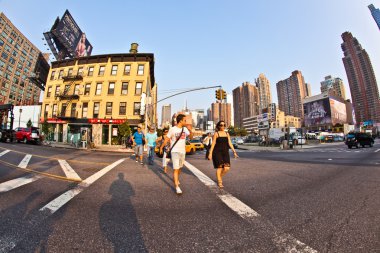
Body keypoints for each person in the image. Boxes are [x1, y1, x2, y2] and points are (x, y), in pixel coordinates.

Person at [160, 114, 193, 195]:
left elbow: (191, 138)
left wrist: (191, 131)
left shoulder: (185, 129)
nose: (186, 122)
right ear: (180, 120)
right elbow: (167, 139)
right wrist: (161, 147)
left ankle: (176, 178)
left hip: (183, 151)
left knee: (180, 168)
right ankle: (177, 187)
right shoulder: (172, 129)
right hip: (174, 151)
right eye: (185, 120)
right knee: (175, 169)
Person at [208, 121, 238, 188]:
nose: (223, 126)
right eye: (221, 125)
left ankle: (219, 176)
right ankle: (219, 181)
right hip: (217, 152)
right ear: (218, 126)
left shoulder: (227, 133)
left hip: (225, 152)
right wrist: (210, 153)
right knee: (220, 167)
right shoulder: (216, 133)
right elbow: (213, 144)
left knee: (227, 168)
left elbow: (230, 143)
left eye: (224, 125)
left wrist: (234, 152)